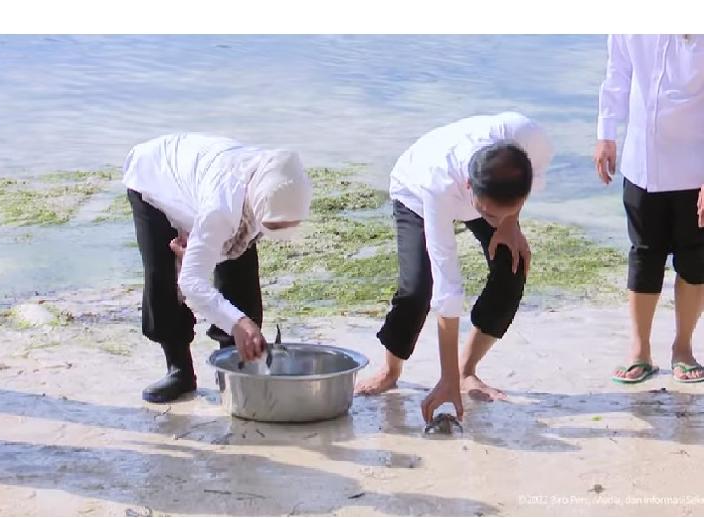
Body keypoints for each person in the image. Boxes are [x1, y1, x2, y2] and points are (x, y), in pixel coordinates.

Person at [355, 112, 553, 423]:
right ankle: (390, 370)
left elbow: (523, 183)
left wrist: (510, 222)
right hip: (415, 194)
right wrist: (442, 380)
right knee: (417, 289)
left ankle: (466, 371)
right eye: (490, 214)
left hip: (492, 193)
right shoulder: (438, 182)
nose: (495, 222)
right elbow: (447, 288)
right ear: (468, 186)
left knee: (512, 267)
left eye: (504, 212)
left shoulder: (529, 137)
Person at [123, 133, 312, 403]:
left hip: (204, 186)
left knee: (240, 270)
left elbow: (235, 246)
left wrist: (213, 253)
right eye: (273, 226)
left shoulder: (283, 181)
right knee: (162, 274)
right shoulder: (221, 206)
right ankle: (179, 369)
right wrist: (237, 321)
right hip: (154, 178)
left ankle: (236, 365)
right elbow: (191, 281)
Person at [594, 34, 704, 384]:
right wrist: (606, 134)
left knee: (695, 260)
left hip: (695, 168)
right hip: (641, 162)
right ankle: (639, 351)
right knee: (644, 254)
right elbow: (617, 73)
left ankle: (683, 349)